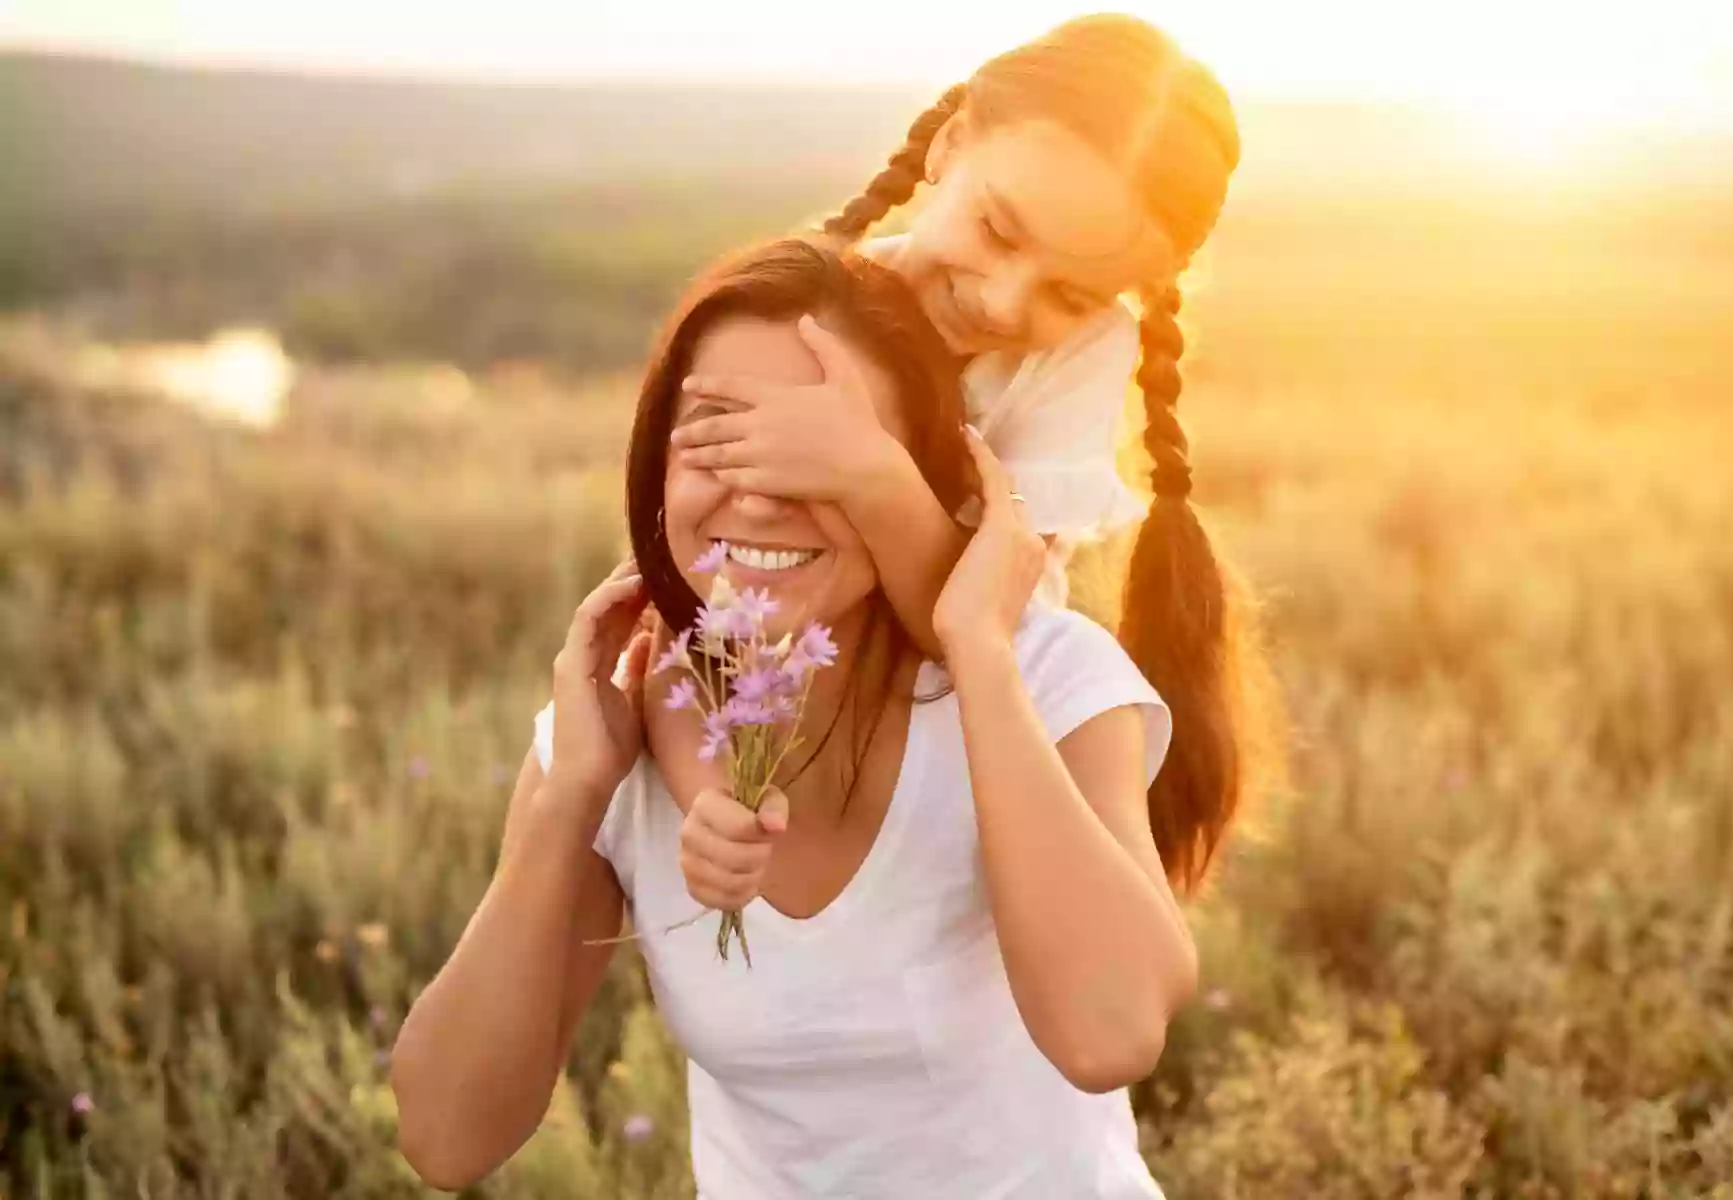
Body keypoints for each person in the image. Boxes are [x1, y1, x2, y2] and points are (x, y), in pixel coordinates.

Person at [390, 237, 1268, 1197]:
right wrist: (573, 799)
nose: (760, 496)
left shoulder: (1046, 681)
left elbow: (1113, 1034)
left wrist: (976, 652)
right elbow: (446, 1137)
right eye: (720, 436)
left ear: (913, 483)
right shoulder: (615, 723)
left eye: (824, 456)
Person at [657, 12, 1242, 842]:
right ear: (949, 145)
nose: (1004, 304)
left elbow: (982, 632)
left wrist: (870, 475)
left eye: (1070, 294)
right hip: (770, 722)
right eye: (998, 230)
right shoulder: (801, 315)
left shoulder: (1078, 355)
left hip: (960, 747)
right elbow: (694, 563)